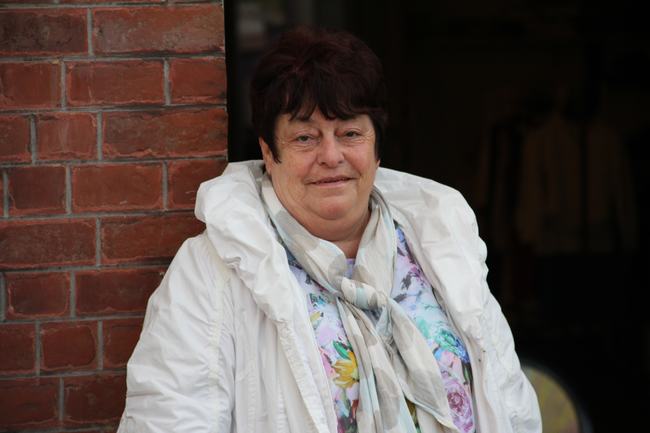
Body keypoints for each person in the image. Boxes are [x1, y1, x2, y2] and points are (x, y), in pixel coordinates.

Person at [117, 27, 541, 433]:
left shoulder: (442, 240)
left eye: (350, 133)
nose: (331, 155)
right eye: (305, 137)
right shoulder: (210, 273)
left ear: (377, 148)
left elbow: (511, 404)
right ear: (269, 152)